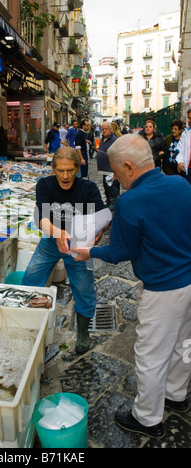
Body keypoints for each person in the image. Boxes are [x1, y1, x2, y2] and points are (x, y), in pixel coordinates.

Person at [72, 134, 191, 439]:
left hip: (163, 290)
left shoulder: (129, 200)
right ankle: (176, 395)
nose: (114, 178)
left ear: (128, 166)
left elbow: (120, 252)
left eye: (114, 171)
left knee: (151, 356)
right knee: (183, 345)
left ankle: (147, 418)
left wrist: (89, 252)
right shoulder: (181, 184)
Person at [21, 146, 106, 355]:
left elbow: (103, 216)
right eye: (60, 170)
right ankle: (29, 324)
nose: (65, 176)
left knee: (84, 288)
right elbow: (41, 218)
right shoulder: (45, 184)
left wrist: (98, 232)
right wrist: (58, 233)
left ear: (77, 168)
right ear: (53, 169)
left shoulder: (88, 188)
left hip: (78, 243)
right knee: (31, 277)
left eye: (70, 170)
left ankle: (83, 332)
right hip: (52, 239)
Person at [97, 122, 119, 210]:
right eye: (103, 129)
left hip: (111, 170)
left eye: (106, 129)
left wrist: (116, 172)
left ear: (111, 130)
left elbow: (118, 156)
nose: (104, 131)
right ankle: (109, 201)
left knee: (112, 188)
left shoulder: (114, 140)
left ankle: (113, 204)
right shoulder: (103, 139)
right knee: (106, 187)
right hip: (104, 169)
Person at [176, 106, 191, 184]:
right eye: (188, 118)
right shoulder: (186, 133)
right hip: (189, 169)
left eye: (190, 118)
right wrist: (180, 161)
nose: (188, 120)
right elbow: (180, 149)